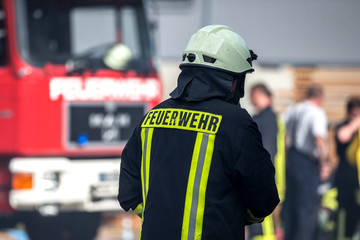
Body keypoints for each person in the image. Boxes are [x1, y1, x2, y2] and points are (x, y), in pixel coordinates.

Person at [118, 25, 279, 240]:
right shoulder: (235, 123)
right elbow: (263, 198)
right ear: (232, 81)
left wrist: (162, 217)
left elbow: (128, 191)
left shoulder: (152, 118)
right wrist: (232, 215)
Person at [281, 85, 329, 240]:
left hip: (293, 159)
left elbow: (282, 129)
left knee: (292, 205)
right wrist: (323, 162)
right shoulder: (317, 112)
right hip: (308, 162)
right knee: (307, 208)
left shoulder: (295, 109)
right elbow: (319, 138)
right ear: (320, 97)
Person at [247, 83, 286, 240]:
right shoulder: (268, 117)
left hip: (267, 174)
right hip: (270, 174)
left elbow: (268, 149)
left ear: (258, 93)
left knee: (263, 218)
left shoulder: (267, 119)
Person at [334, 96, 360, 240]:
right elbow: (342, 136)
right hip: (346, 181)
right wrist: (355, 124)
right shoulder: (343, 126)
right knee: (346, 216)